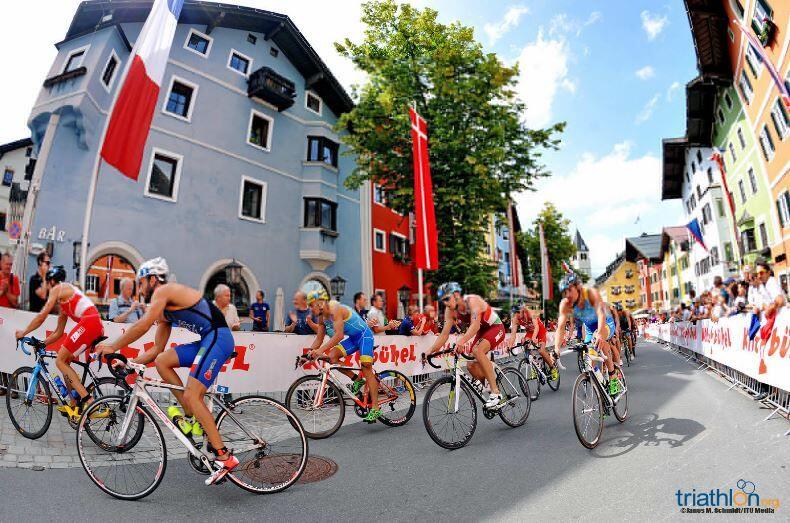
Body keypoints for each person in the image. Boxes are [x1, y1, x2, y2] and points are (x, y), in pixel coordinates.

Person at [97, 258, 238, 484]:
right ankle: (191, 416)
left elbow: (141, 325)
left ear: (153, 279)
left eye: (141, 283)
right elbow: (156, 350)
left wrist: (113, 346)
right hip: (207, 339)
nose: (140, 288)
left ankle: (224, 457)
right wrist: (130, 363)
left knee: (193, 394)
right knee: (163, 360)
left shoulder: (164, 291)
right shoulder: (166, 313)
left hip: (219, 337)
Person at [14, 265, 105, 414]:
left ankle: (88, 401)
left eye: (46, 283)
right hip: (95, 325)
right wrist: (42, 343)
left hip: (90, 322)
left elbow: (41, 316)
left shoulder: (58, 288)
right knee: (65, 362)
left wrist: (24, 332)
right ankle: (74, 404)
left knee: (59, 361)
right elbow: (58, 333)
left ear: (51, 282)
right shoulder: (64, 305)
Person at [426, 282, 507, 409]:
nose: (446, 303)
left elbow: (475, 325)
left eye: (447, 299)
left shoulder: (473, 301)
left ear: (456, 294)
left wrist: (461, 341)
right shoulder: (450, 311)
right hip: (482, 331)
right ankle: (490, 374)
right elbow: (444, 335)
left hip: (495, 327)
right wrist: (430, 350)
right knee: (470, 365)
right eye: (443, 301)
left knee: (477, 351)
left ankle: (496, 393)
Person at [306, 289, 381, 422]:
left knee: (366, 367)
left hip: (364, 335)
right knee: (332, 357)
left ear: (319, 303)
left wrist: (320, 350)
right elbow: (319, 339)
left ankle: (375, 407)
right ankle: (357, 379)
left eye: (311, 305)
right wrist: (308, 353)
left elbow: (339, 335)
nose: (310, 309)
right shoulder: (322, 317)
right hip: (353, 338)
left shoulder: (335, 309)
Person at [554, 273, 621, 395]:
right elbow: (560, 327)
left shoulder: (590, 293)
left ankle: (612, 375)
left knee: (599, 339)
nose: (567, 295)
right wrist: (557, 348)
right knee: (589, 358)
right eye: (564, 292)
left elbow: (601, 314)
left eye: (569, 290)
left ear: (578, 287)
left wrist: (600, 334)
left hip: (605, 322)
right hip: (590, 328)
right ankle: (599, 383)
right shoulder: (565, 304)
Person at [507, 301, 557, 380]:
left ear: (523, 309)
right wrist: (509, 346)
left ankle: (553, 368)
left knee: (541, 351)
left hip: (540, 330)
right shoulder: (515, 319)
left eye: (518, 312)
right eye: (515, 312)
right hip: (530, 332)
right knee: (525, 343)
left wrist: (533, 339)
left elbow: (536, 327)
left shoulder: (530, 312)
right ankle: (535, 364)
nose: (516, 314)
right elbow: (513, 334)